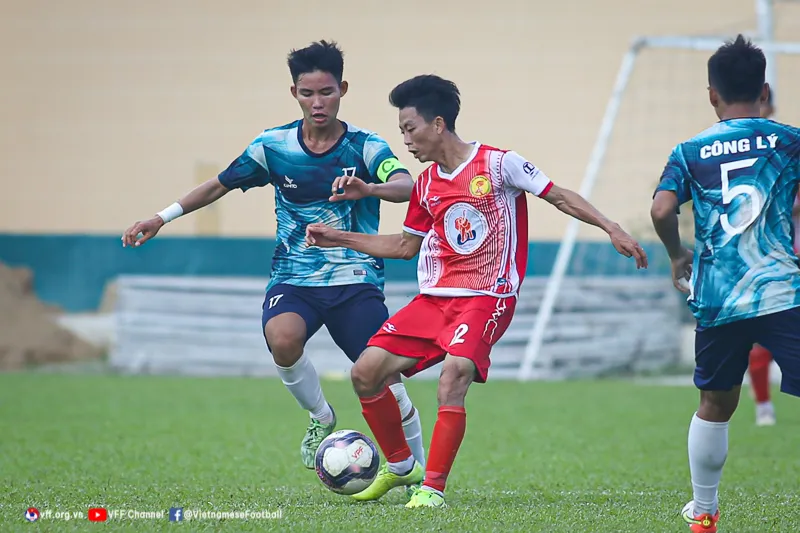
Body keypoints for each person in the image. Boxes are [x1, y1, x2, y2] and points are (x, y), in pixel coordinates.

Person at [306, 74, 647, 508]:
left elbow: (558, 196)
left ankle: (432, 489)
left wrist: (611, 227)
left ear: (438, 124)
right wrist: (339, 238)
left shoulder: (500, 164)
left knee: (453, 377)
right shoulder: (425, 185)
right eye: (401, 132)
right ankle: (402, 466)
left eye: (409, 129)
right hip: (436, 299)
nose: (406, 141)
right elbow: (405, 247)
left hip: (488, 296)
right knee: (365, 373)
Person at [121, 41, 428, 478]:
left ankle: (420, 474)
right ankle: (320, 415)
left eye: (327, 92)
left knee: (386, 382)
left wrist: (370, 188)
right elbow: (219, 184)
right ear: (294, 93)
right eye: (308, 93)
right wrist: (160, 217)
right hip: (294, 278)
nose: (318, 103)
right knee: (282, 340)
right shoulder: (273, 146)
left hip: (354, 280)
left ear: (342, 90)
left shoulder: (364, 146)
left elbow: (405, 185)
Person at [650, 35, 800, 533]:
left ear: (712, 94)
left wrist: (677, 254)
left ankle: (704, 511)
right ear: (764, 90)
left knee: (715, 404)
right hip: (781, 290)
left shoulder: (689, 151)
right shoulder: (789, 140)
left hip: (719, 296)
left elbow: (661, 209)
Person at [745, 88, 781, 427]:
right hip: (757, 257)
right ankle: (763, 404)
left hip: (789, 253)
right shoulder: (732, 153)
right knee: (760, 337)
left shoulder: (787, 146)